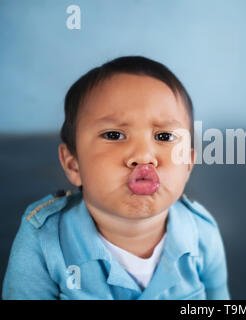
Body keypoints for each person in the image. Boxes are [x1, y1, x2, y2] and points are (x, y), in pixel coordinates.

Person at [2, 56, 230, 300]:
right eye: (114, 134)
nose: (144, 156)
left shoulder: (201, 232)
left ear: (187, 164)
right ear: (73, 164)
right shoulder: (44, 238)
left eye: (164, 137)